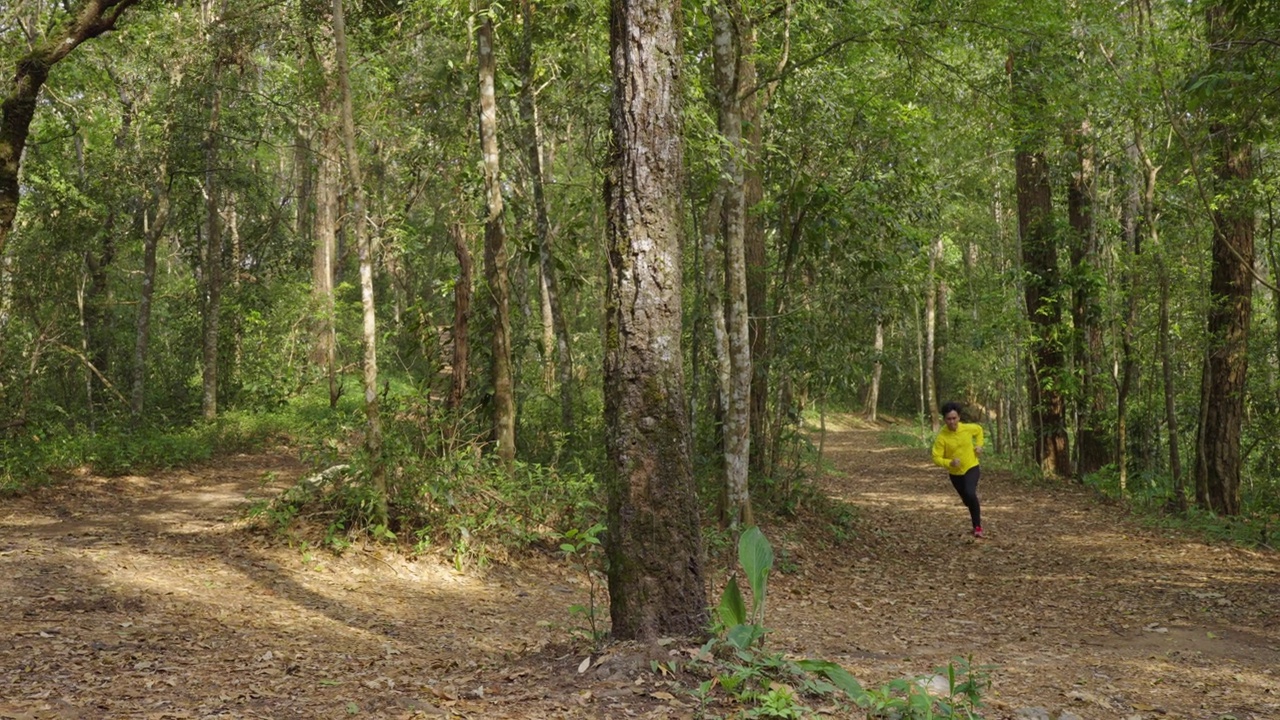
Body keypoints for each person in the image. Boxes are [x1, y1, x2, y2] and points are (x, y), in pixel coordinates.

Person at [931, 401, 985, 538]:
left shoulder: (967, 428)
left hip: (971, 466)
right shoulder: (942, 437)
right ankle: (973, 510)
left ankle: (977, 527)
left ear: (959, 417)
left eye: (954, 418)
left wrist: (979, 446)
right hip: (955, 474)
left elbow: (979, 430)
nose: (952, 421)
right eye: (948, 419)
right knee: (967, 500)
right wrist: (949, 462)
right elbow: (936, 457)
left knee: (970, 493)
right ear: (944, 420)